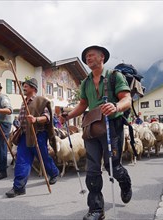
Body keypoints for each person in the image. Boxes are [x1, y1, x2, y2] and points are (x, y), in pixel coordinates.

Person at [59, 45, 132, 220]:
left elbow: (127, 99)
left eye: (91, 55)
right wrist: (68, 116)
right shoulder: (85, 82)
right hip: (92, 127)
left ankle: (125, 182)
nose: (87, 59)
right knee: (92, 169)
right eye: (86, 57)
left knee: (112, 166)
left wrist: (116, 106)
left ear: (102, 58)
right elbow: (83, 104)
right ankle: (96, 210)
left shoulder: (115, 76)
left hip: (112, 125)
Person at [5, 78, 59, 198]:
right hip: (25, 135)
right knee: (22, 160)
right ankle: (18, 187)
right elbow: (21, 119)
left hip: (38, 134)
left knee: (43, 157)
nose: (24, 88)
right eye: (23, 86)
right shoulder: (24, 102)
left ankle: (54, 173)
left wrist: (36, 119)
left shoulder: (40, 101)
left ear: (33, 88)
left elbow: (47, 116)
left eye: (26, 86)